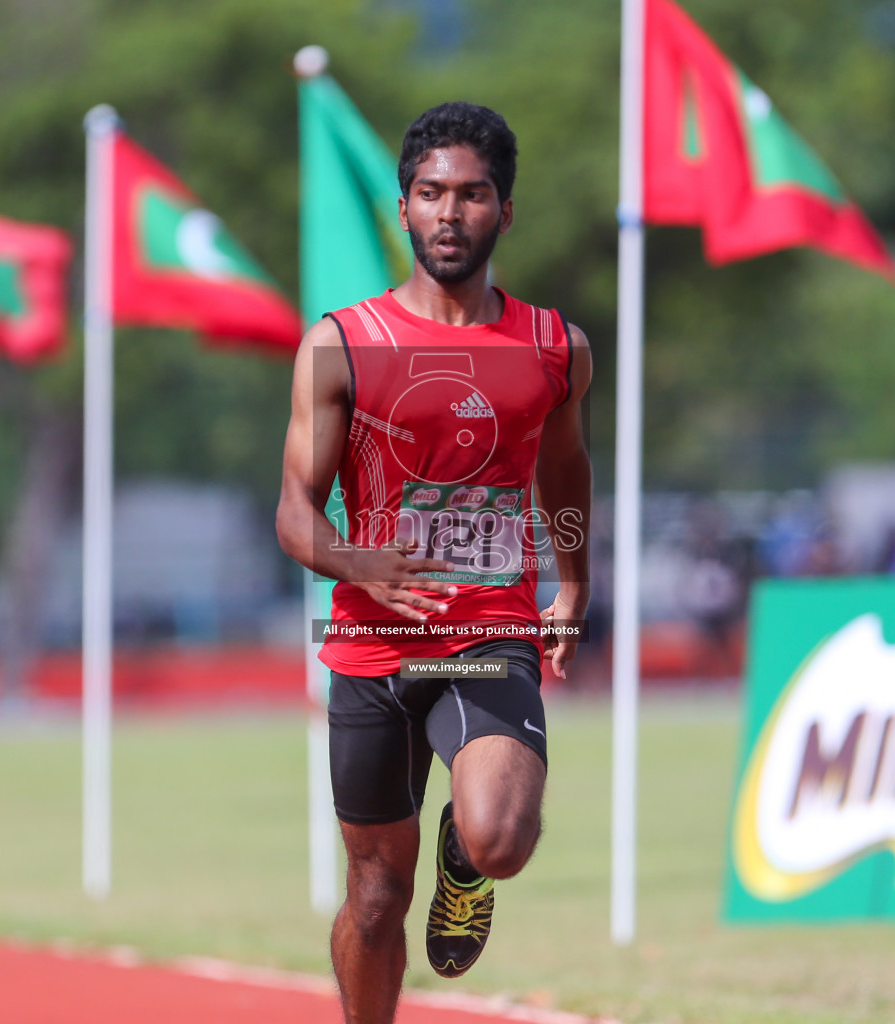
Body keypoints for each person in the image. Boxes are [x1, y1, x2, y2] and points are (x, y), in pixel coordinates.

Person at [276, 101, 591, 1023]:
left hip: (488, 632)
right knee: (376, 897)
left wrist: (572, 582)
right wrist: (354, 562)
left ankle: (467, 853)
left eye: (473, 194)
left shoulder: (553, 347)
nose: (451, 213)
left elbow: (566, 466)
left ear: (505, 210)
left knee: (498, 838)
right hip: (373, 648)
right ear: (404, 209)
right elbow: (294, 510)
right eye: (431, 194)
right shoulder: (341, 346)